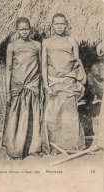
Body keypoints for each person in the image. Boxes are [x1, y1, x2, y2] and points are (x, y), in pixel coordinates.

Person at [41, 13, 86, 154]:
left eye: (62, 23)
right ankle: (54, 147)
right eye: (56, 24)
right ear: (52, 25)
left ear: (66, 25)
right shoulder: (46, 43)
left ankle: (71, 146)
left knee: (70, 116)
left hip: (69, 83)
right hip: (53, 84)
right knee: (52, 116)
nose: (59, 26)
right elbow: (43, 66)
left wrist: (79, 82)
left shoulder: (72, 41)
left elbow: (77, 63)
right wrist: (47, 86)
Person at [2, 17, 42, 159]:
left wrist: (40, 87)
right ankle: (15, 151)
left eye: (27, 28)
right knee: (16, 118)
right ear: (17, 30)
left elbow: (41, 67)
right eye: (21, 29)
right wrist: (8, 91)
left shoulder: (37, 45)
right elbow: (9, 69)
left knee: (33, 116)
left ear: (30, 29)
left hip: (32, 85)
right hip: (17, 87)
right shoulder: (12, 46)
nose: (25, 31)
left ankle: (33, 148)